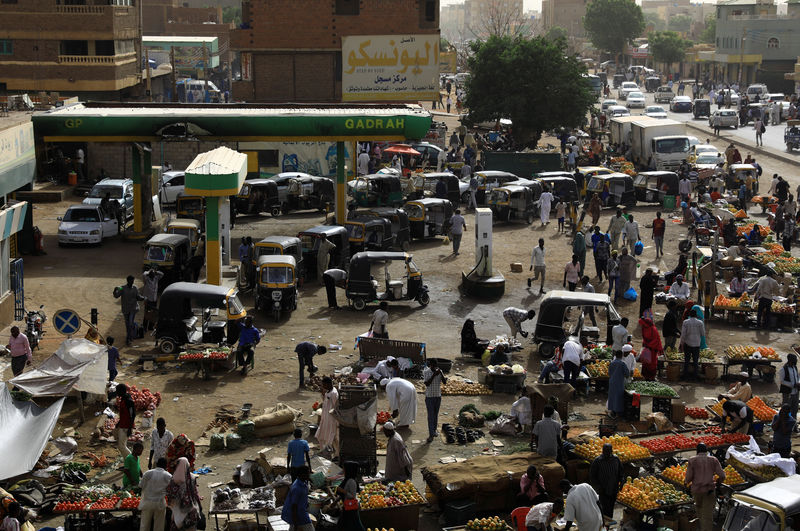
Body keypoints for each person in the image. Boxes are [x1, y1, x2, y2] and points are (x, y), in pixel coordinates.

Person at [685, 443, 725, 531]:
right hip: (709, 491)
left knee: (699, 510)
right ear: (706, 451)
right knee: (707, 515)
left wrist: (686, 483)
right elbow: (722, 475)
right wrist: (718, 482)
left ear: (697, 451)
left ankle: (701, 528)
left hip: (697, 491)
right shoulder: (713, 460)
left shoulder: (692, 460)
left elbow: (688, 477)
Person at [590, 443, 623, 518]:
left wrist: (621, 482)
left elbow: (621, 472)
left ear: (612, 451)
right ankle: (603, 524)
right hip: (603, 490)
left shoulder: (616, 459)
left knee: (611, 508)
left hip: (613, 489)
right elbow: (592, 476)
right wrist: (598, 487)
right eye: (605, 451)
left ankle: (608, 524)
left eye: (608, 451)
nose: (607, 453)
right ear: (602, 451)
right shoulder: (597, 461)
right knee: (604, 509)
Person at [139, 457, 172, 531]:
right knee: (159, 525)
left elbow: (141, 486)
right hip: (160, 502)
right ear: (166, 466)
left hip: (147, 502)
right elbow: (170, 490)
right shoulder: (168, 476)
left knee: (144, 524)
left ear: (156, 464)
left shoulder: (148, 473)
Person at [113, 275, 144, 346]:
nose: (132, 282)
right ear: (128, 281)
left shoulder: (135, 288)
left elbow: (138, 296)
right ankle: (131, 334)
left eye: (133, 280)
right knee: (128, 324)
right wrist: (115, 291)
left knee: (129, 323)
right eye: (131, 281)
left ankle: (128, 339)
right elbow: (116, 295)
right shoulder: (122, 288)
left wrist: (142, 298)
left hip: (133, 309)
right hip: (126, 309)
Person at [336, 461, 366, 531]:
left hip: (351, 508)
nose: (343, 470)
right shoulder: (346, 479)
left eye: (344, 468)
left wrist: (343, 491)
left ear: (349, 470)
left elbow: (352, 496)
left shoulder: (351, 481)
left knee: (356, 526)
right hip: (347, 507)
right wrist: (336, 501)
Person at [422, 359, 446, 443]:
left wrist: (441, 374)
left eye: (436, 365)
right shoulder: (426, 372)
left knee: (435, 415)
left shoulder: (439, 371)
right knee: (430, 416)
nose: (435, 367)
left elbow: (444, 382)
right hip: (429, 397)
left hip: (437, 396)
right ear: (430, 365)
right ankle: (431, 434)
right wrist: (433, 375)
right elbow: (427, 384)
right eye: (433, 366)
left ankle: (434, 431)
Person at [316, 376, 339, 458]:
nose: (323, 386)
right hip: (325, 418)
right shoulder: (327, 392)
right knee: (323, 436)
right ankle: (331, 452)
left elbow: (336, 407)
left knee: (332, 437)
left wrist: (336, 421)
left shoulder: (334, 394)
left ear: (328, 384)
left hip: (331, 420)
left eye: (324, 385)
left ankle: (336, 454)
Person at [680, 309, 705, 379]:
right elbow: (703, 334)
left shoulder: (686, 322)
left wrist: (681, 344)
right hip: (696, 344)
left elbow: (683, 335)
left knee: (687, 360)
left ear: (689, 315)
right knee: (695, 361)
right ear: (696, 315)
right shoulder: (700, 323)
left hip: (687, 344)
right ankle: (695, 375)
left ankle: (685, 375)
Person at [116, 383, 136, 457]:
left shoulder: (128, 401)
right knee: (123, 445)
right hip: (123, 424)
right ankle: (126, 464)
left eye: (117, 391)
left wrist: (130, 428)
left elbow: (132, 415)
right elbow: (124, 413)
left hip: (126, 426)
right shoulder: (123, 399)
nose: (117, 392)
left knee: (121, 446)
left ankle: (132, 459)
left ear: (121, 391)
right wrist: (119, 422)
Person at [607, 350, 629, 419]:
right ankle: (617, 412)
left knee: (612, 396)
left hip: (612, 382)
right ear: (621, 355)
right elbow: (627, 374)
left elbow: (609, 372)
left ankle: (612, 410)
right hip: (619, 382)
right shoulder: (622, 363)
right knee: (618, 397)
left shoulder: (612, 363)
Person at [779, 353, 800, 419]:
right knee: (786, 410)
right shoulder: (783, 369)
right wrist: (793, 385)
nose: (796, 361)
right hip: (788, 393)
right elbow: (782, 381)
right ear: (790, 360)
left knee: (795, 409)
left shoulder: (795, 367)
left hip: (796, 392)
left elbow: (797, 377)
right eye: (795, 360)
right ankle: (785, 424)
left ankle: (793, 424)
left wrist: (798, 383)